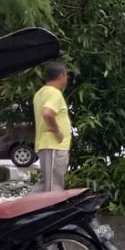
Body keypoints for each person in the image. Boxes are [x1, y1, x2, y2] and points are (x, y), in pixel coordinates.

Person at [33, 62, 72, 193]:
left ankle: (23, 209)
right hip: (53, 145)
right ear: (62, 76)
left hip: (47, 145)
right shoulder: (54, 94)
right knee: (53, 185)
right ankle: (53, 210)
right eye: (66, 76)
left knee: (46, 183)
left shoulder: (40, 93)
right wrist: (57, 132)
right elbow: (47, 113)